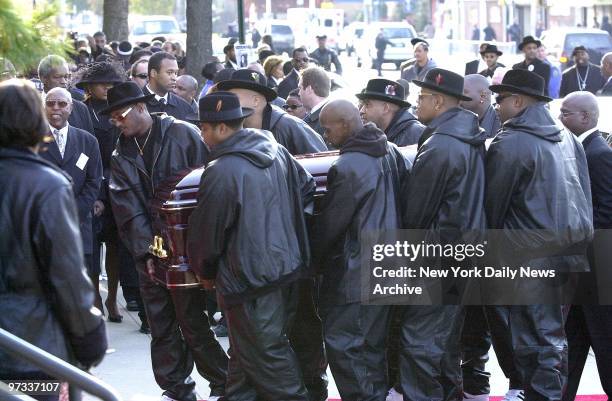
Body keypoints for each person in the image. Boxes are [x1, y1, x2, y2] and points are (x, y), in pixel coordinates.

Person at [103, 82, 229, 401]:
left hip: (190, 246)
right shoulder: (121, 153)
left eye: (121, 115)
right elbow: (126, 208)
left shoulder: (183, 133)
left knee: (192, 321)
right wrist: (148, 250)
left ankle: (222, 382)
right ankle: (175, 388)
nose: (117, 122)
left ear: (142, 107)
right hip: (150, 251)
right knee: (160, 325)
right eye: (114, 118)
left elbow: (209, 185)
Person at [187, 91, 315, 401]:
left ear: (220, 128)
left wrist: (203, 271)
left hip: (251, 281)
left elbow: (207, 234)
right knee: (245, 362)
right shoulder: (276, 150)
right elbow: (307, 188)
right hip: (286, 270)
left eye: (203, 128)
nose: (201, 135)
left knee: (269, 358)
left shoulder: (221, 171)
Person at [487, 69, 593, 401]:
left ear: (518, 101)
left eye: (500, 99)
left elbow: (492, 209)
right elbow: (584, 200)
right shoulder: (568, 136)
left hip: (527, 260)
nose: (496, 106)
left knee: (535, 343)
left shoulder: (511, 142)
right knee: (550, 340)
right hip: (566, 255)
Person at [0, 79, 107, 400]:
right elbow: (68, 276)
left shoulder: (48, 182)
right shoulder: (46, 186)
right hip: (31, 349)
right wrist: (89, 341)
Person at [314, 99, 409, 401]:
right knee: (371, 350)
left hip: (357, 273)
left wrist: (311, 259)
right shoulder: (390, 150)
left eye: (327, 129)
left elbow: (330, 226)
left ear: (344, 124)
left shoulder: (348, 166)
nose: (325, 136)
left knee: (348, 350)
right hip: (388, 265)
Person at [401, 68, 487, 400]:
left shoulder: (441, 144)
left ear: (438, 101)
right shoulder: (467, 135)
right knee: (447, 342)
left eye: (420, 97)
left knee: (418, 343)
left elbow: (416, 212)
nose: (416, 103)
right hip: (462, 252)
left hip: (439, 256)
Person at [75, 61, 139, 326]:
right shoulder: (80, 110)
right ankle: (95, 298)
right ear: (89, 85)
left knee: (115, 244)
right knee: (91, 247)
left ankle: (112, 296)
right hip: (91, 183)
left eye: (112, 83)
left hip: (117, 184)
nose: (107, 88)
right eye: (102, 83)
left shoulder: (120, 110)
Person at [558, 91, 612, 401]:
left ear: (585, 118)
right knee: (572, 341)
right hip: (582, 272)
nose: (560, 119)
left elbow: (605, 213)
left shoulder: (599, 154)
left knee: (604, 343)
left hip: (596, 271)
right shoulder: (582, 149)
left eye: (566, 114)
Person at [40, 87, 103, 314]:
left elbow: (94, 181)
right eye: (50, 103)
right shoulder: (32, 140)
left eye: (62, 104)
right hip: (45, 226)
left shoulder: (88, 141)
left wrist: (76, 212)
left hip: (80, 225)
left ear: (71, 107)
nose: (56, 108)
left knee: (79, 285)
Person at [217, 69, 327, 155]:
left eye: (235, 98)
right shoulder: (233, 128)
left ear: (256, 101)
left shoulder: (289, 127)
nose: (229, 102)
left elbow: (321, 165)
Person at [356, 78, 425, 146]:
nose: (361, 110)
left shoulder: (415, 134)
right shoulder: (371, 133)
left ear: (385, 108)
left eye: (367, 104)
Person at [38, 55, 94, 135]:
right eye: (57, 77)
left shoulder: (81, 108)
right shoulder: (32, 107)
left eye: (67, 77)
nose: (64, 81)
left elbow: (89, 142)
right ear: (43, 78)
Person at [142, 51, 193, 120]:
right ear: (153, 73)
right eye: (169, 72)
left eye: (176, 73)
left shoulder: (185, 107)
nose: (174, 78)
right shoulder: (135, 104)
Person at [299, 66, 331, 137]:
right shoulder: (329, 112)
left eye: (300, 88)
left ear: (309, 89)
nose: (299, 93)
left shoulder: (327, 119)